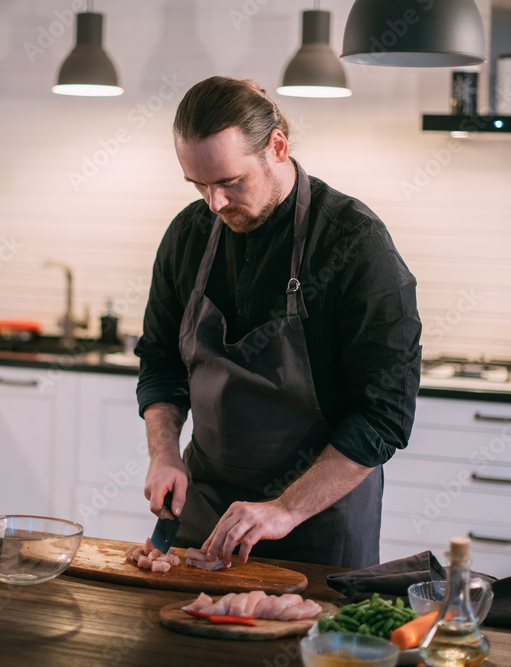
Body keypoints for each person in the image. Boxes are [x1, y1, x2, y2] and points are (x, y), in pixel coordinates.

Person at [135, 76, 421, 569]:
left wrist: (285, 508)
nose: (214, 203)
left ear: (278, 147)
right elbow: (160, 362)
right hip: (207, 511)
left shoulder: (355, 242)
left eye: (229, 182)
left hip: (318, 522)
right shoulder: (188, 234)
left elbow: (384, 416)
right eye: (198, 184)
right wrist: (164, 453)